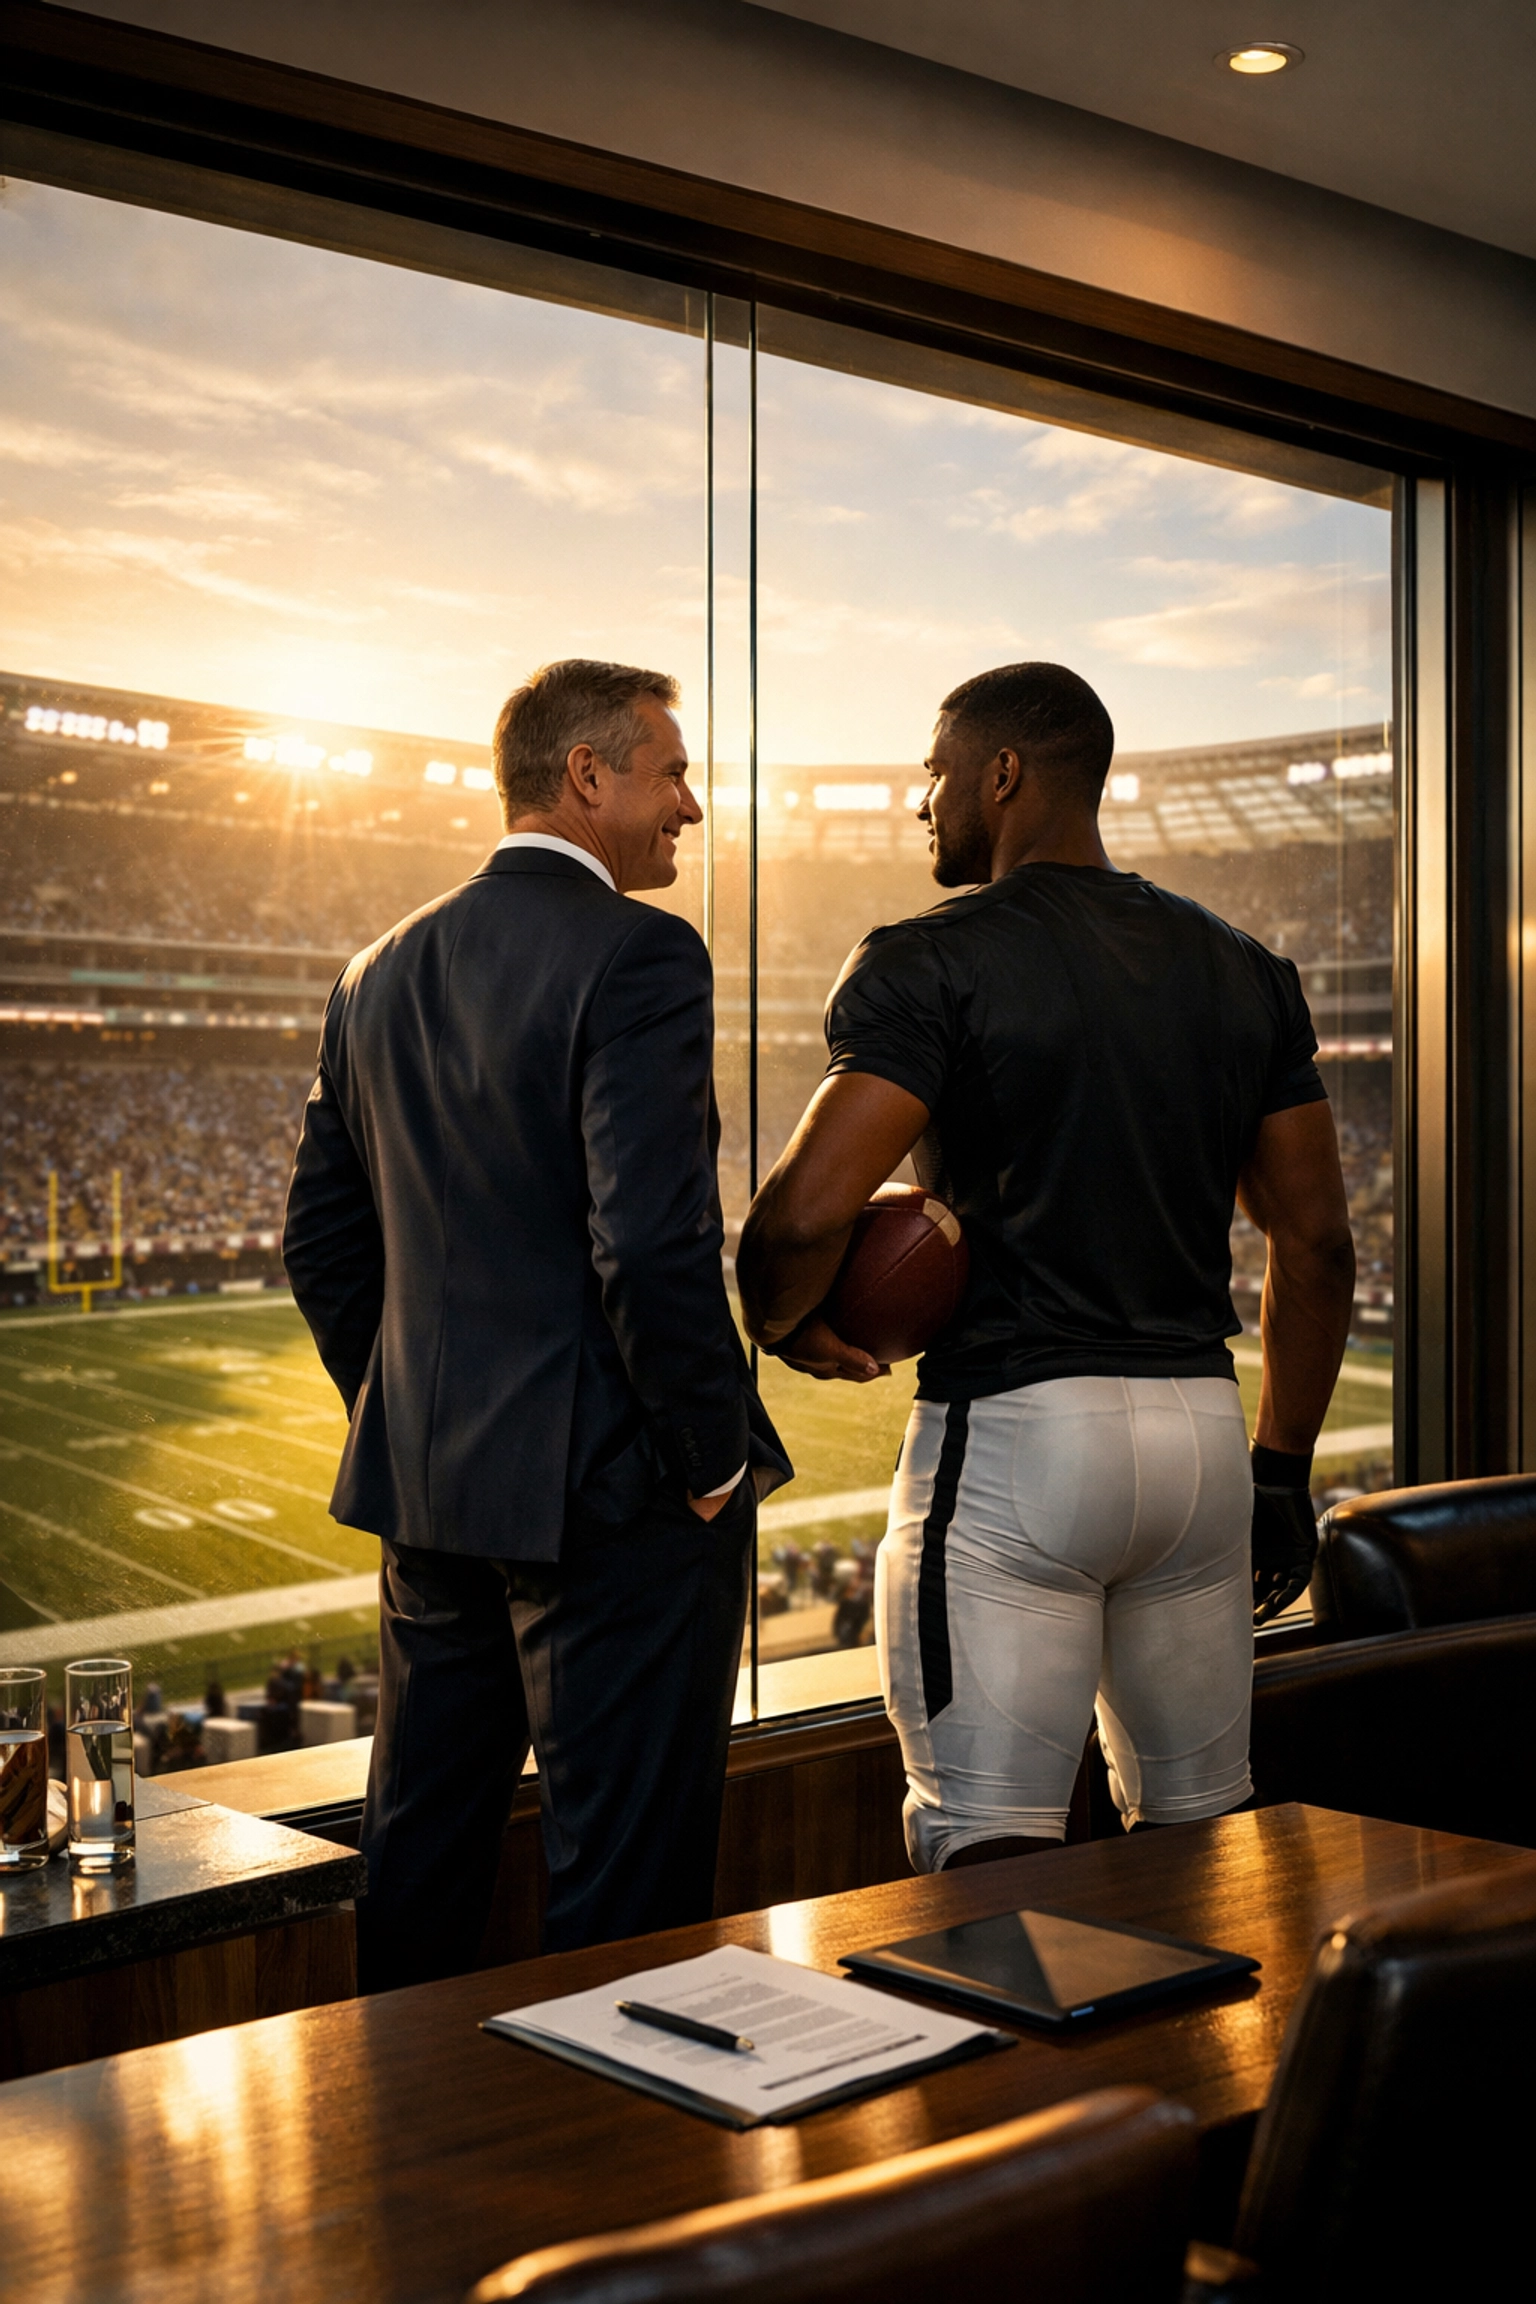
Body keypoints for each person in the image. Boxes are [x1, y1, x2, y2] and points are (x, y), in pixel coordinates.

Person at [738, 661, 1354, 1871]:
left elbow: (808, 1216)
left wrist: (782, 1322)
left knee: (988, 1855)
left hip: (1019, 1437)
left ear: (1003, 773)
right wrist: (1281, 1470)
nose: (923, 799)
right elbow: (1319, 1242)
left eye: (935, 770)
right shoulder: (1245, 967)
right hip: (1200, 1442)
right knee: (1205, 1845)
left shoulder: (929, 956)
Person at [284, 658, 789, 1988]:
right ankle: (612, 2193)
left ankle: (400, 2168)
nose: (690, 804)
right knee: (626, 1895)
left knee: (423, 1863)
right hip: (612, 1502)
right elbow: (650, 1243)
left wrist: (409, 1411)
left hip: (433, 1496)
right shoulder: (640, 950)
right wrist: (709, 1460)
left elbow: (323, 1245)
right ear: (587, 775)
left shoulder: (371, 969)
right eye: (671, 771)